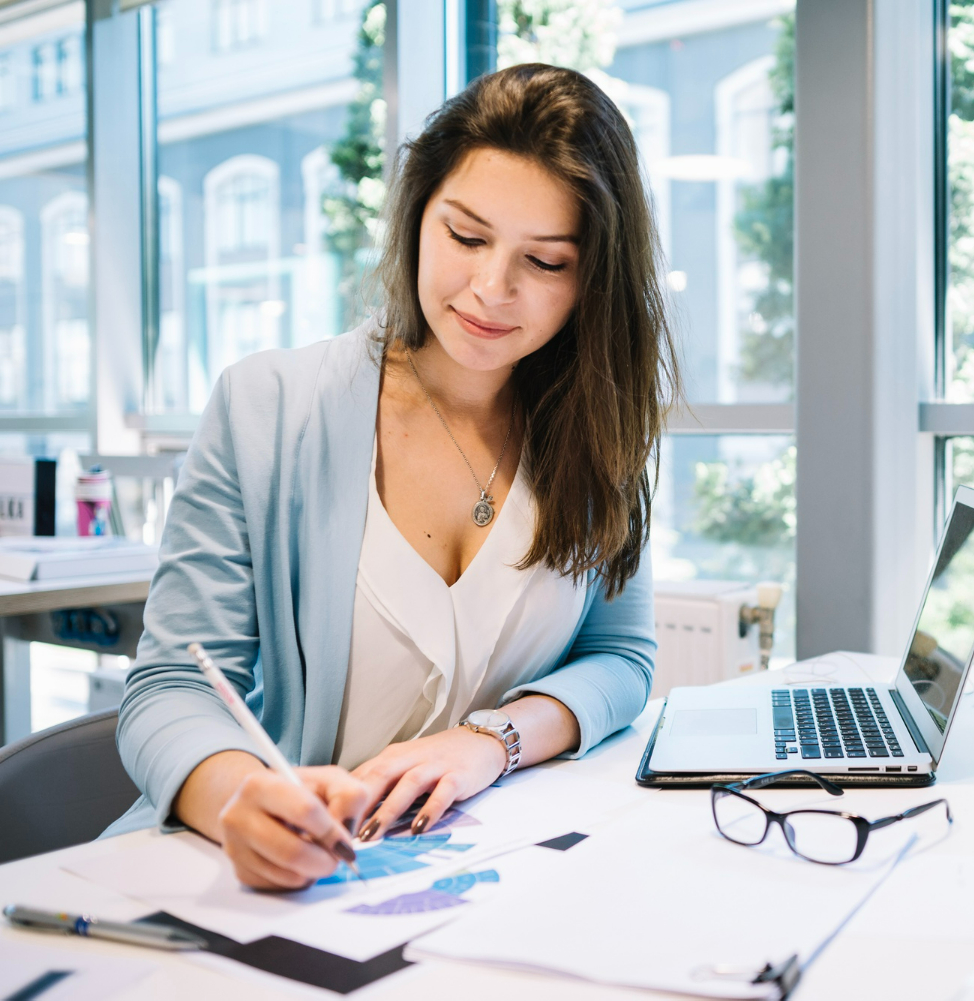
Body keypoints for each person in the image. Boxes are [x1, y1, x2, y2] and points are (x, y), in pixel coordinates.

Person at [106, 64, 677, 891]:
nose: (491, 289)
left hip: (475, 878)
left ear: (593, 280)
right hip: (274, 888)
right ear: (418, 217)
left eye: (545, 262)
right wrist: (240, 800)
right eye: (467, 237)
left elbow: (620, 658)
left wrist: (492, 741)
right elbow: (168, 688)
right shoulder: (268, 405)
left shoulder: (598, 429)